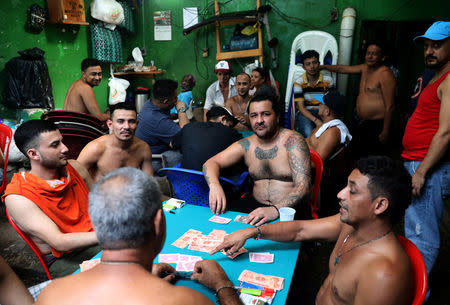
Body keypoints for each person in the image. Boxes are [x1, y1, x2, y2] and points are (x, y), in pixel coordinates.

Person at [212, 156, 414, 305]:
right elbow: (300, 229)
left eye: (352, 191)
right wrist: (251, 232)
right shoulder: (351, 225)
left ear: (380, 206)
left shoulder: (384, 274)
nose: (340, 194)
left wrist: (221, 283)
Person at [35, 167, 243, 305]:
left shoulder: (50, 295)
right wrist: (222, 285)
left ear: (97, 221)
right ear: (158, 223)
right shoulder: (188, 300)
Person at [203, 84, 311, 226]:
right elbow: (210, 163)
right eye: (254, 116)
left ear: (277, 117)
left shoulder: (293, 141)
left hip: (289, 212)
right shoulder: (246, 145)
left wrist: (275, 210)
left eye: (265, 114)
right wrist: (215, 186)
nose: (259, 120)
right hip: (256, 208)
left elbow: (304, 186)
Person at [2, 120, 99, 277]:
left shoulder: (75, 168)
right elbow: (58, 241)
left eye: (62, 141)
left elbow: (100, 204)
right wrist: (112, 234)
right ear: (33, 154)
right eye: (55, 145)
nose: (65, 148)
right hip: (65, 258)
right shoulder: (19, 196)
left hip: (97, 238)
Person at [402, 21, 450, 288]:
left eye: (438, 45)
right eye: (427, 45)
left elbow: (446, 132)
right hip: (418, 162)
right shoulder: (436, 77)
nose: (430, 51)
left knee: (422, 235)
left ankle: (416, 293)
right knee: (416, 229)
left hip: (427, 167)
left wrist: (421, 171)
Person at [321, 42, 395, 158]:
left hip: (377, 125)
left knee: (373, 158)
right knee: (357, 155)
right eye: (368, 53)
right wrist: (322, 67)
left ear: (382, 57)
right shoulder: (364, 68)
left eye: (374, 54)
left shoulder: (385, 74)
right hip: (361, 122)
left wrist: (385, 130)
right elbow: (342, 69)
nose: (370, 56)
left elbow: (390, 106)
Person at [77, 102, 153, 182]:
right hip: (99, 193)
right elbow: (74, 178)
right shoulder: (96, 147)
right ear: (110, 125)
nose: (126, 126)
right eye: (120, 121)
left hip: (128, 193)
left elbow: (149, 183)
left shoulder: (143, 148)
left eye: (131, 121)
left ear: (137, 124)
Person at [171, 106, 242, 175]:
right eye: (230, 125)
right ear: (223, 119)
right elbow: (247, 149)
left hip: (185, 182)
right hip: (217, 183)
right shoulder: (229, 132)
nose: (231, 128)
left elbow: (171, 144)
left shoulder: (188, 127)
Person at [135, 79, 189, 171]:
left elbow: (162, 119)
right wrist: (181, 110)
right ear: (165, 101)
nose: (177, 100)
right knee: (186, 153)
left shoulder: (150, 103)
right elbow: (188, 133)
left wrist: (172, 117)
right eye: (175, 98)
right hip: (152, 160)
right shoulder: (158, 120)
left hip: (147, 151)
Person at [294, 50, 334, 138]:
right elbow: (301, 107)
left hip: (323, 111)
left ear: (319, 64)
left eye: (314, 63)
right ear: (304, 67)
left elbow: (331, 103)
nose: (312, 66)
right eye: (308, 64)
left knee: (328, 135)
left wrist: (324, 118)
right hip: (305, 113)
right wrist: (316, 121)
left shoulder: (328, 80)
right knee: (309, 134)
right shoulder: (299, 82)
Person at [306, 90, 352, 161]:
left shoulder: (332, 132)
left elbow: (317, 162)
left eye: (321, 104)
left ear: (327, 111)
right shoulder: (323, 126)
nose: (319, 106)